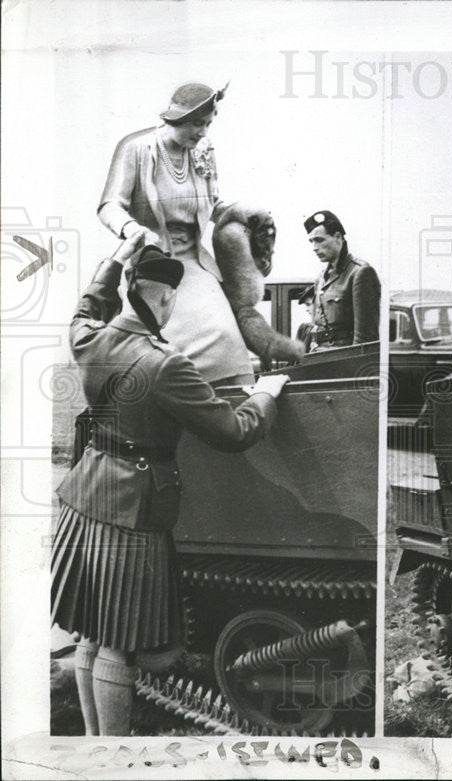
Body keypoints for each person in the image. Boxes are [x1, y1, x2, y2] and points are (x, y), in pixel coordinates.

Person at [51, 233, 290, 736]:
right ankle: (111, 759)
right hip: (133, 510)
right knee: (118, 642)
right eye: (171, 301)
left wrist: (115, 258)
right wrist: (266, 395)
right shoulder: (165, 365)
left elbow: (87, 304)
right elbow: (233, 432)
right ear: (161, 299)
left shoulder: (89, 337)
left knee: (90, 637)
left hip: (84, 494)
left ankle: (95, 748)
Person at [98, 81, 254, 384]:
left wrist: (245, 215)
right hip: (155, 268)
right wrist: (132, 229)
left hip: (195, 265)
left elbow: (213, 206)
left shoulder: (204, 152)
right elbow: (109, 206)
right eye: (197, 124)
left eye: (208, 124)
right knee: (163, 357)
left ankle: (232, 417)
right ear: (176, 118)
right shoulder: (137, 149)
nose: (203, 132)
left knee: (226, 337)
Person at [300, 210, 381, 349]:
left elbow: (365, 340)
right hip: (319, 359)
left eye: (319, 240)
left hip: (343, 363)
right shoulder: (321, 278)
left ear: (338, 237)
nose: (314, 248)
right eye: (311, 241)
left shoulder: (360, 273)